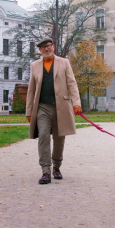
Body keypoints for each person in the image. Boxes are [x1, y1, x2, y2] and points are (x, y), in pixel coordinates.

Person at [26, 37, 82, 184]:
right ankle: (45, 170)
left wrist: (76, 103)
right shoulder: (35, 65)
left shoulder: (64, 63)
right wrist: (29, 111)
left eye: (48, 46)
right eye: (43, 47)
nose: (46, 49)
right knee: (43, 136)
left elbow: (72, 83)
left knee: (59, 138)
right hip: (42, 107)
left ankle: (56, 166)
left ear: (53, 46)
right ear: (39, 50)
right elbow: (31, 89)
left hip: (61, 106)